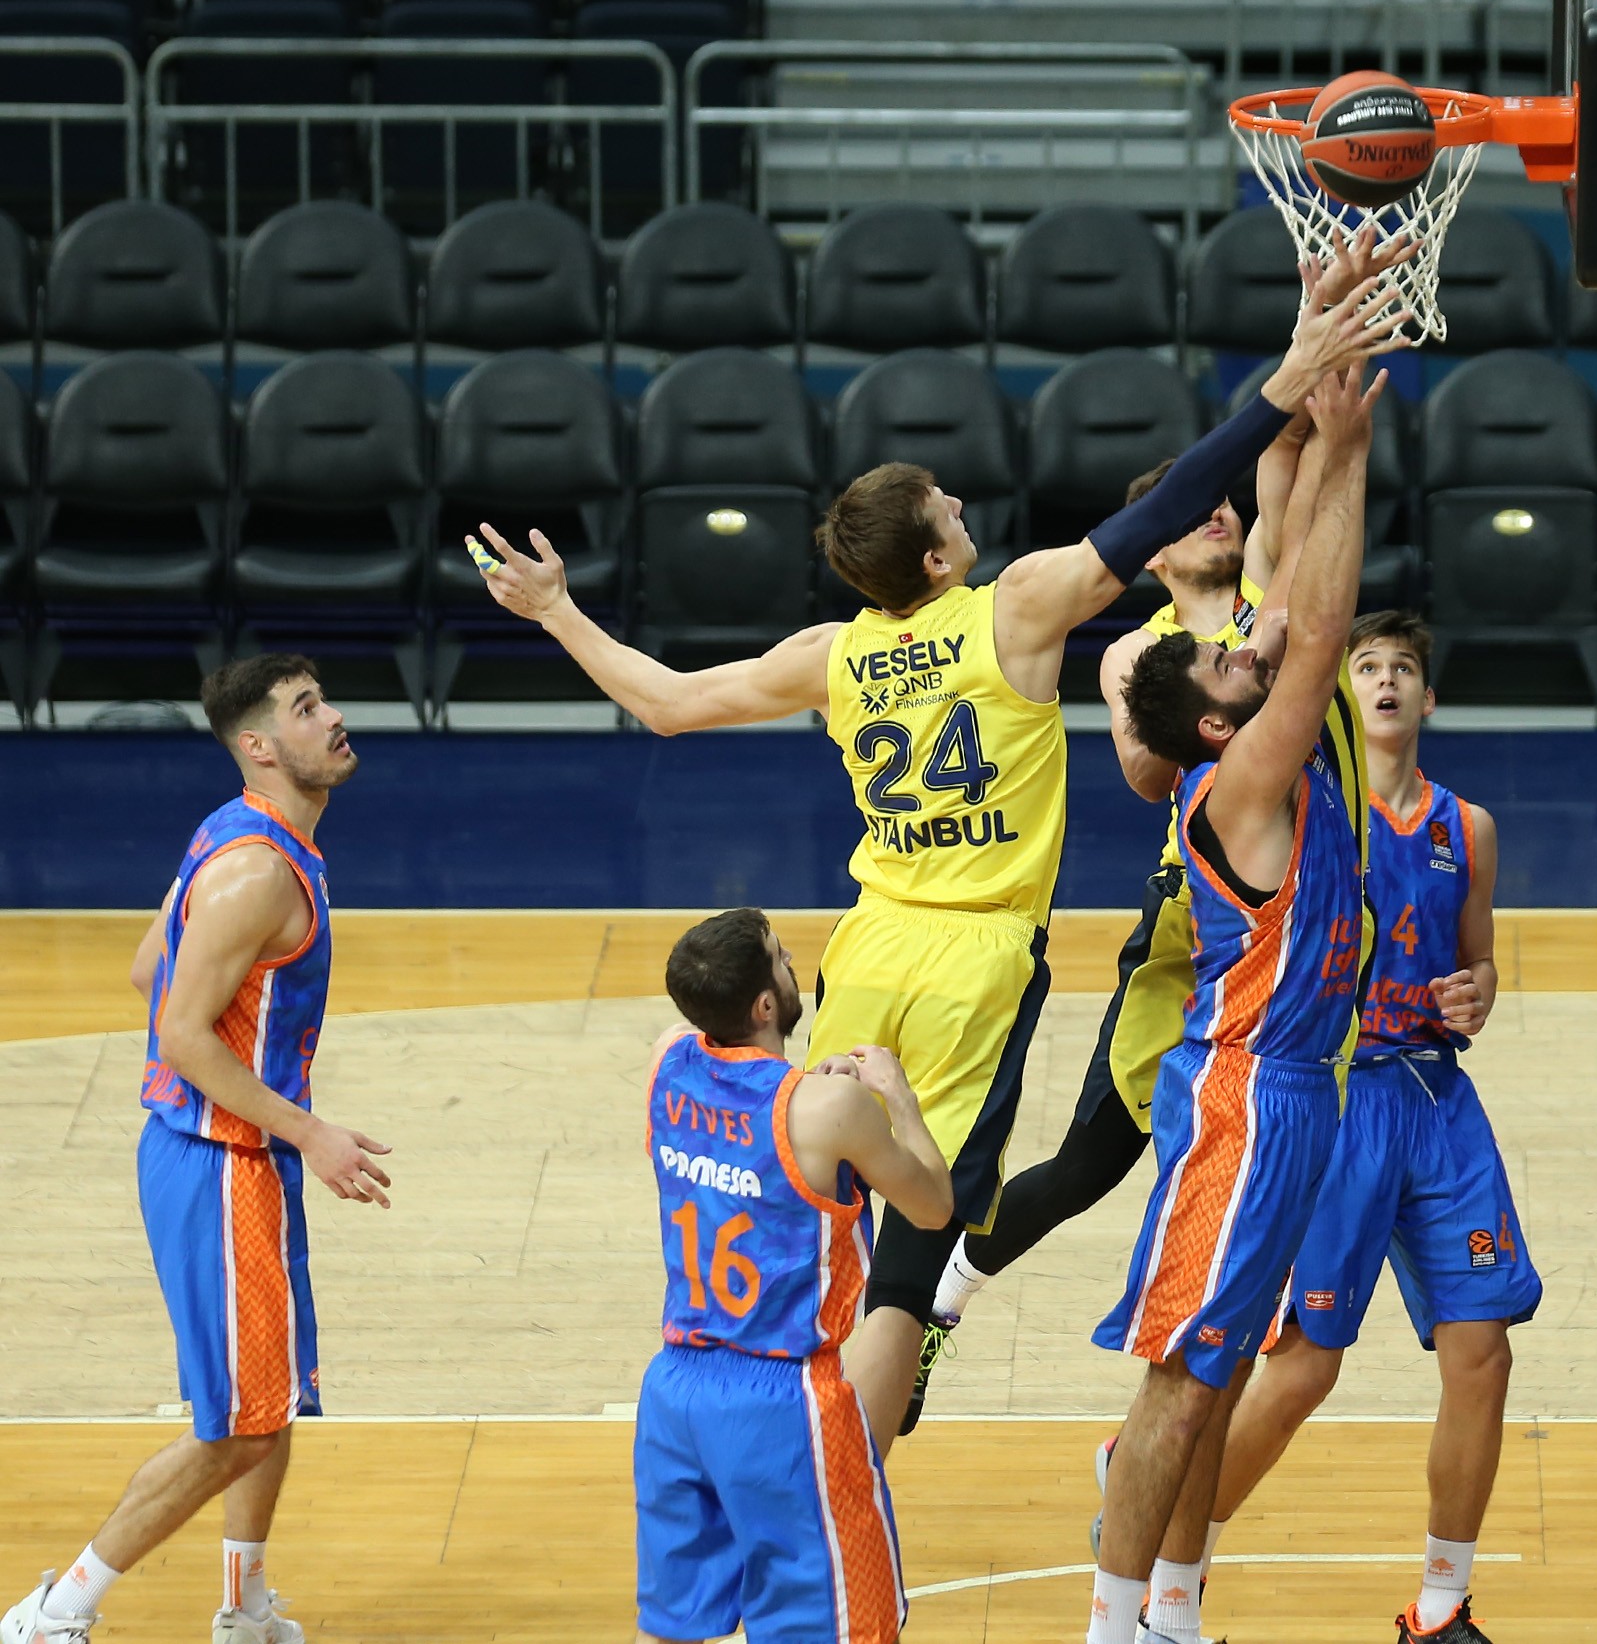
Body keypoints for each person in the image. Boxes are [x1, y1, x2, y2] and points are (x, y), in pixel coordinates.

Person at [469, 241, 1402, 1454]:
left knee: (832, 1200)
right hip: (970, 965)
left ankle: (776, 1388)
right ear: (932, 557)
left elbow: (663, 701)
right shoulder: (1010, 612)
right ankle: (839, 1485)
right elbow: (1159, 515)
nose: (963, 507)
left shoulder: (830, 653)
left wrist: (558, 611)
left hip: (866, 946)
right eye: (945, 508)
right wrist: (1281, 387)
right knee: (918, 1254)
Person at [916, 410, 1318, 1419]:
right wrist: (1218, 693)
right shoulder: (1135, 651)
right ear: (1156, 550)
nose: (1215, 517)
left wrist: (1305, 383)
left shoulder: (1267, 590)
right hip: (1190, 932)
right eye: (1191, 512)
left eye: (1220, 504)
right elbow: (1145, 774)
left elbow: (1279, 488)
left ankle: (1262, 1335)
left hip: (1297, 921)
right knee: (1089, 1164)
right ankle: (941, 1299)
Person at [1083, 360, 1385, 1644]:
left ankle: (1170, 1613)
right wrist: (1355, 440)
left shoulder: (1234, 728)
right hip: (1245, 1100)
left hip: (1301, 1094)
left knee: (1213, 1379)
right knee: (1177, 1380)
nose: (1239, 643)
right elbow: (1315, 631)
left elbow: (1284, 585)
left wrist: (1316, 425)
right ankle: (1108, 1626)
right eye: (1222, 660)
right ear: (1215, 727)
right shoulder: (1243, 782)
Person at [4, 656, 388, 1644]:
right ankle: (54, 1610)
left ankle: (243, 1605)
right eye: (308, 709)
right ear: (259, 746)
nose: (335, 716)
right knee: (236, 1423)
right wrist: (306, 1126)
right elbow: (177, 1028)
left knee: (276, 1398)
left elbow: (147, 965)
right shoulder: (255, 869)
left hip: (238, 1154)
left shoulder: (249, 837)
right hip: (218, 1162)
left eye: (324, 698)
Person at [1205, 611, 1542, 1644]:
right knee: (1304, 1365)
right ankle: (1169, 1526)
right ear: (1341, 697)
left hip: (1436, 1103)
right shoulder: (1306, 812)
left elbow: (1478, 958)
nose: (1386, 681)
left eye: (1402, 668)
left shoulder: (1466, 827)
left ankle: (1440, 1607)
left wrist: (1475, 995)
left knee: (1481, 1354)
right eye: (1366, 667)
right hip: (1338, 1099)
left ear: (1427, 699)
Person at [632, 909, 951, 1644]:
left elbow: (736, 1107)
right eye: (780, 955)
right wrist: (894, 1096)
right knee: (844, 1628)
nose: (790, 958)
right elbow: (933, 1207)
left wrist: (811, 1088)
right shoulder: (829, 1106)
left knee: (672, 1628)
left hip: (676, 1392)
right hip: (783, 1404)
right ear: (767, 1004)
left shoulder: (665, 1061)